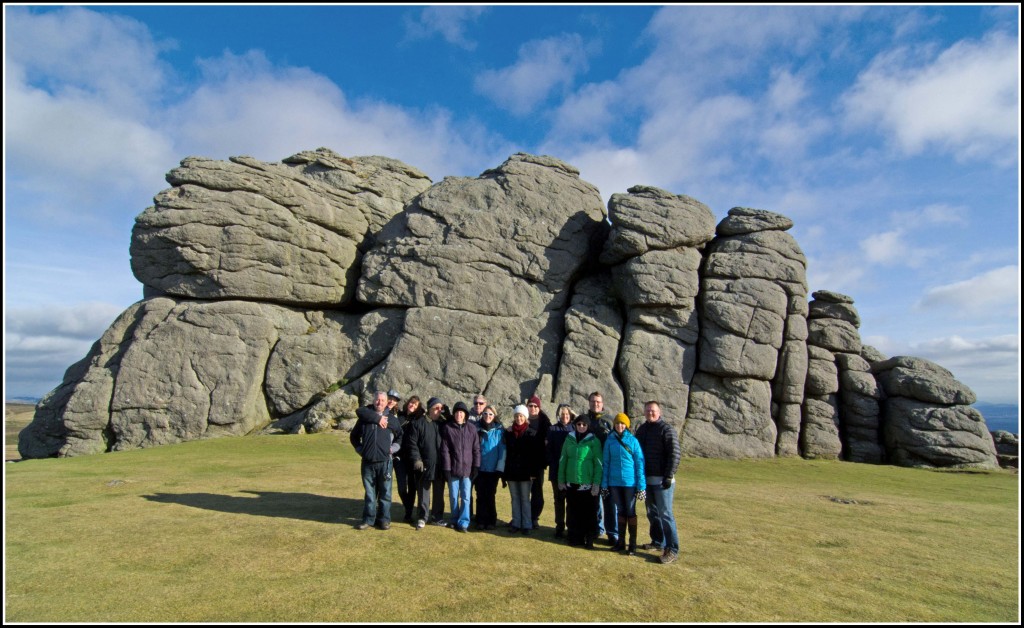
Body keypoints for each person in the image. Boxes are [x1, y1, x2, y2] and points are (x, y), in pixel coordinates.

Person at [635, 400, 682, 564]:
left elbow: (675, 453)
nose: (650, 413)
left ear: (659, 412)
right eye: (647, 411)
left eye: (653, 411)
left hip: (662, 481)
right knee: (652, 513)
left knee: (665, 514)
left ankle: (672, 549)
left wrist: (669, 475)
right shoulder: (642, 429)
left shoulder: (666, 429)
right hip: (647, 480)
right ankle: (658, 541)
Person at [350, 391, 402, 530]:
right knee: (370, 494)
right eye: (377, 400)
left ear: (387, 402)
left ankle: (384, 520)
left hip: (385, 462)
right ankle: (368, 519)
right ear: (374, 400)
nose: (380, 402)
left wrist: (393, 448)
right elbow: (354, 437)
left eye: (383, 400)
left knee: (385, 493)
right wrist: (361, 450)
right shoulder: (364, 418)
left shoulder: (392, 420)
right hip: (367, 462)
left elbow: (400, 437)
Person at [602, 413, 646, 556]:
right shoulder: (610, 440)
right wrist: (604, 484)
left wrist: (641, 486)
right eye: (617, 423)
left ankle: (632, 544)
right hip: (614, 482)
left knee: (630, 511)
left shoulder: (633, 441)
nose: (619, 426)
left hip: (630, 482)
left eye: (622, 423)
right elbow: (606, 463)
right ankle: (621, 542)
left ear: (626, 425)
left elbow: (639, 463)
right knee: (620, 510)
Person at [558, 414, 603, 548]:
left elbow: (598, 464)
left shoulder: (594, 441)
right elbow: (563, 459)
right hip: (572, 482)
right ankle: (574, 537)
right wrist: (561, 479)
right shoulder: (569, 438)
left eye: (584, 424)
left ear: (588, 426)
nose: (581, 426)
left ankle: (589, 538)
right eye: (579, 424)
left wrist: (596, 483)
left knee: (589, 513)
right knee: (573, 512)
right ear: (575, 425)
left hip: (587, 483)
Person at [580, 391, 616, 545]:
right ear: (589, 403)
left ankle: (613, 533)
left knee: (609, 501)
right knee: (594, 500)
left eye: (598, 402)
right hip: (589, 466)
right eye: (593, 401)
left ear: (602, 403)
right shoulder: (584, 420)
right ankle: (597, 529)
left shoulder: (609, 421)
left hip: (606, 465)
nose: (596, 404)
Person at [440, 401, 481, 532]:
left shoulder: (472, 429)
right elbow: (445, 450)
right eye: (457, 412)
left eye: (461, 412)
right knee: (453, 497)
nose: (459, 414)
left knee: (466, 497)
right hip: (453, 469)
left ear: (465, 415)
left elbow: (476, 449)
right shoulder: (448, 428)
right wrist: (446, 468)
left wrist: (476, 466)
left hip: (467, 470)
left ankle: (464, 522)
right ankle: (454, 519)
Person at [504, 404, 543, 535]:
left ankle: (526, 524)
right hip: (512, 471)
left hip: (526, 472)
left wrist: (533, 473)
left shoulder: (532, 433)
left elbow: (535, 456)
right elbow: (507, 453)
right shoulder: (508, 433)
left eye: (521, 416)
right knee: (514, 498)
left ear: (525, 417)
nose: (518, 418)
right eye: (516, 416)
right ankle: (516, 522)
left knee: (525, 499)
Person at [404, 395, 441, 530]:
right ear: (430, 409)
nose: (439, 411)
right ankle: (422, 517)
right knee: (423, 492)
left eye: (441, 408)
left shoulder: (441, 423)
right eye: (437, 408)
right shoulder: (418, 423)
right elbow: (412, 444)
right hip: (424, 465)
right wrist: (417, 460)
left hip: (439, 465)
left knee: (439, 492)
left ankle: (437, 517)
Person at [546, 403, 576, 538]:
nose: (564, 417)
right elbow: (549, 450)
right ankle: (559, 526)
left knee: (570, 500)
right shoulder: (552, 429)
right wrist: (554, 463)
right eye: (562, 414)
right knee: (558, 500)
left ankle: (571, 526)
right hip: (556, 470)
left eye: (567, 414)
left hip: (571, 471)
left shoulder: (575, 429)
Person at [394, 395, 424, 524]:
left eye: (416, 404)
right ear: (408, 403)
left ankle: (408, 514)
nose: (412, 405)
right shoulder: (399, 417)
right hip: (399, 457)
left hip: (412, 457)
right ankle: (408, 508)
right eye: (411, 403)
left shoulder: (418, 419)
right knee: (401, 487)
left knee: (412, 488)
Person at [475, 404, 506, 530]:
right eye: (485, 414)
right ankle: (480, 520)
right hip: (480, 468)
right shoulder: (476, 428)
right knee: (480, 495)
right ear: (482, 415)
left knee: (490, 495)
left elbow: (502, 450)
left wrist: (500, 468)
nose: (488, 416)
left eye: (490, 414)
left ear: (494, 416)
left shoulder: (499, 431)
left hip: (493, 469)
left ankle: (491, 520)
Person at [526, 395, 551, 530]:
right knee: (523, 491)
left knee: (537, 492)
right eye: (531, 406)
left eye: (535, 406)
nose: (533, 408)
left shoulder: (545, 423)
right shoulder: (522, 418)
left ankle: (534, 517)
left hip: (538, 463)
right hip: (523, 462)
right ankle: (522, 516)